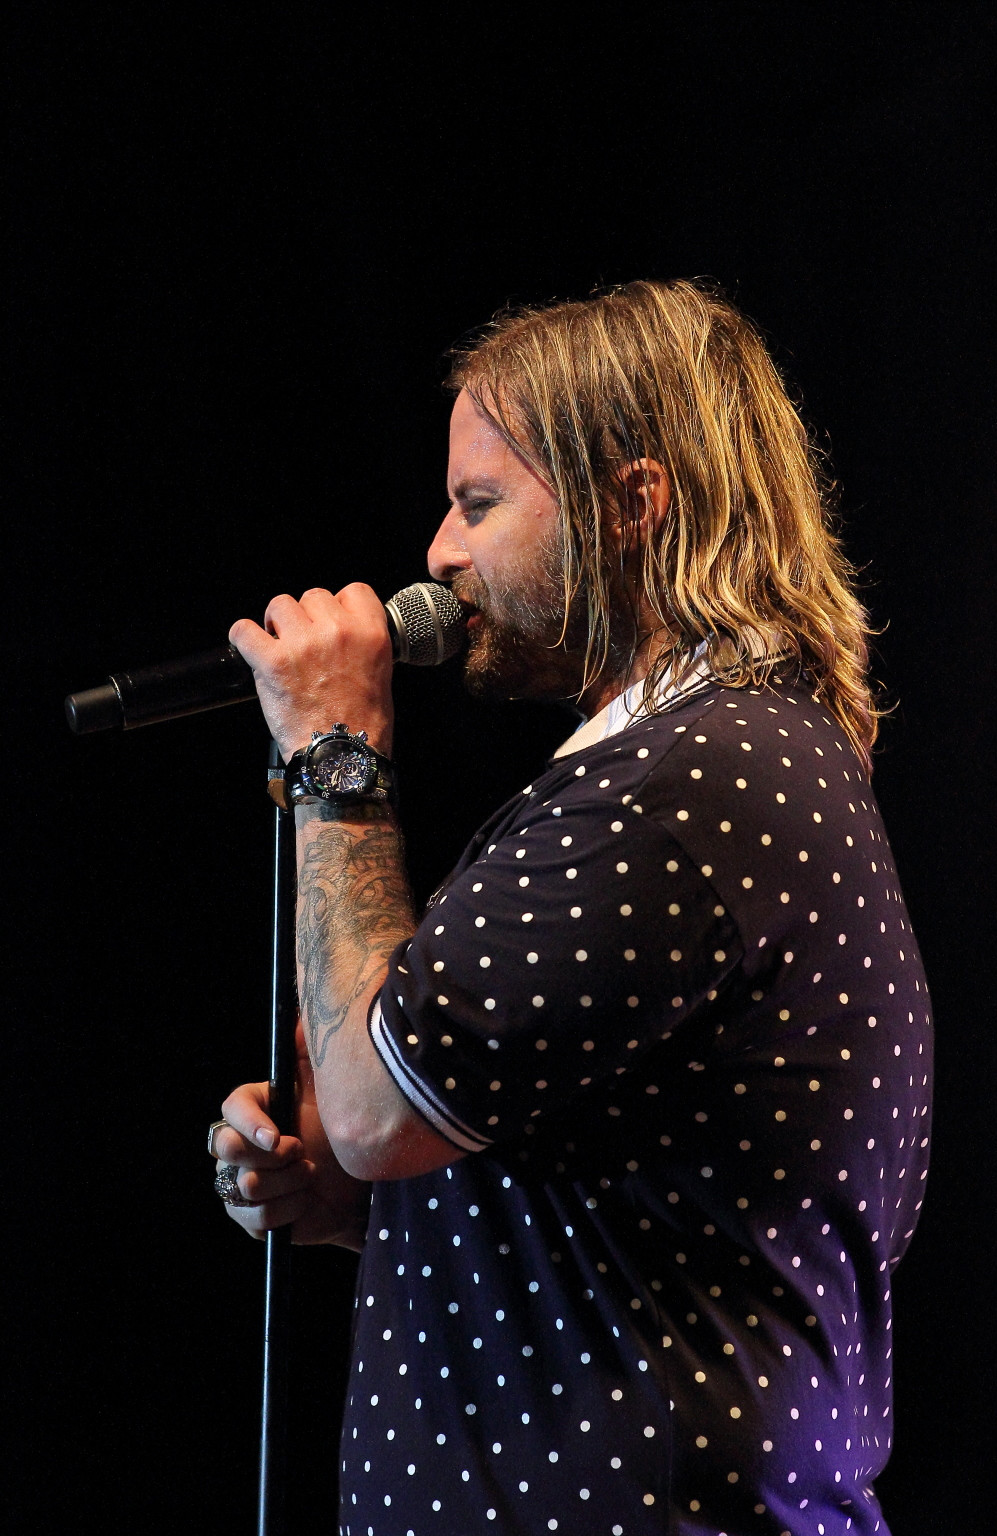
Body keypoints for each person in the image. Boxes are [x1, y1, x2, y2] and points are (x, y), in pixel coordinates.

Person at [211, 280, 931, 1536]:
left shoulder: (687, 786)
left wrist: (333, 756)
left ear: (631, 504)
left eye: (479, 503)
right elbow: (642, 1199)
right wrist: (378, 1203)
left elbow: (374, 1112)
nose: (440, 553)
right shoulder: (717, 762)